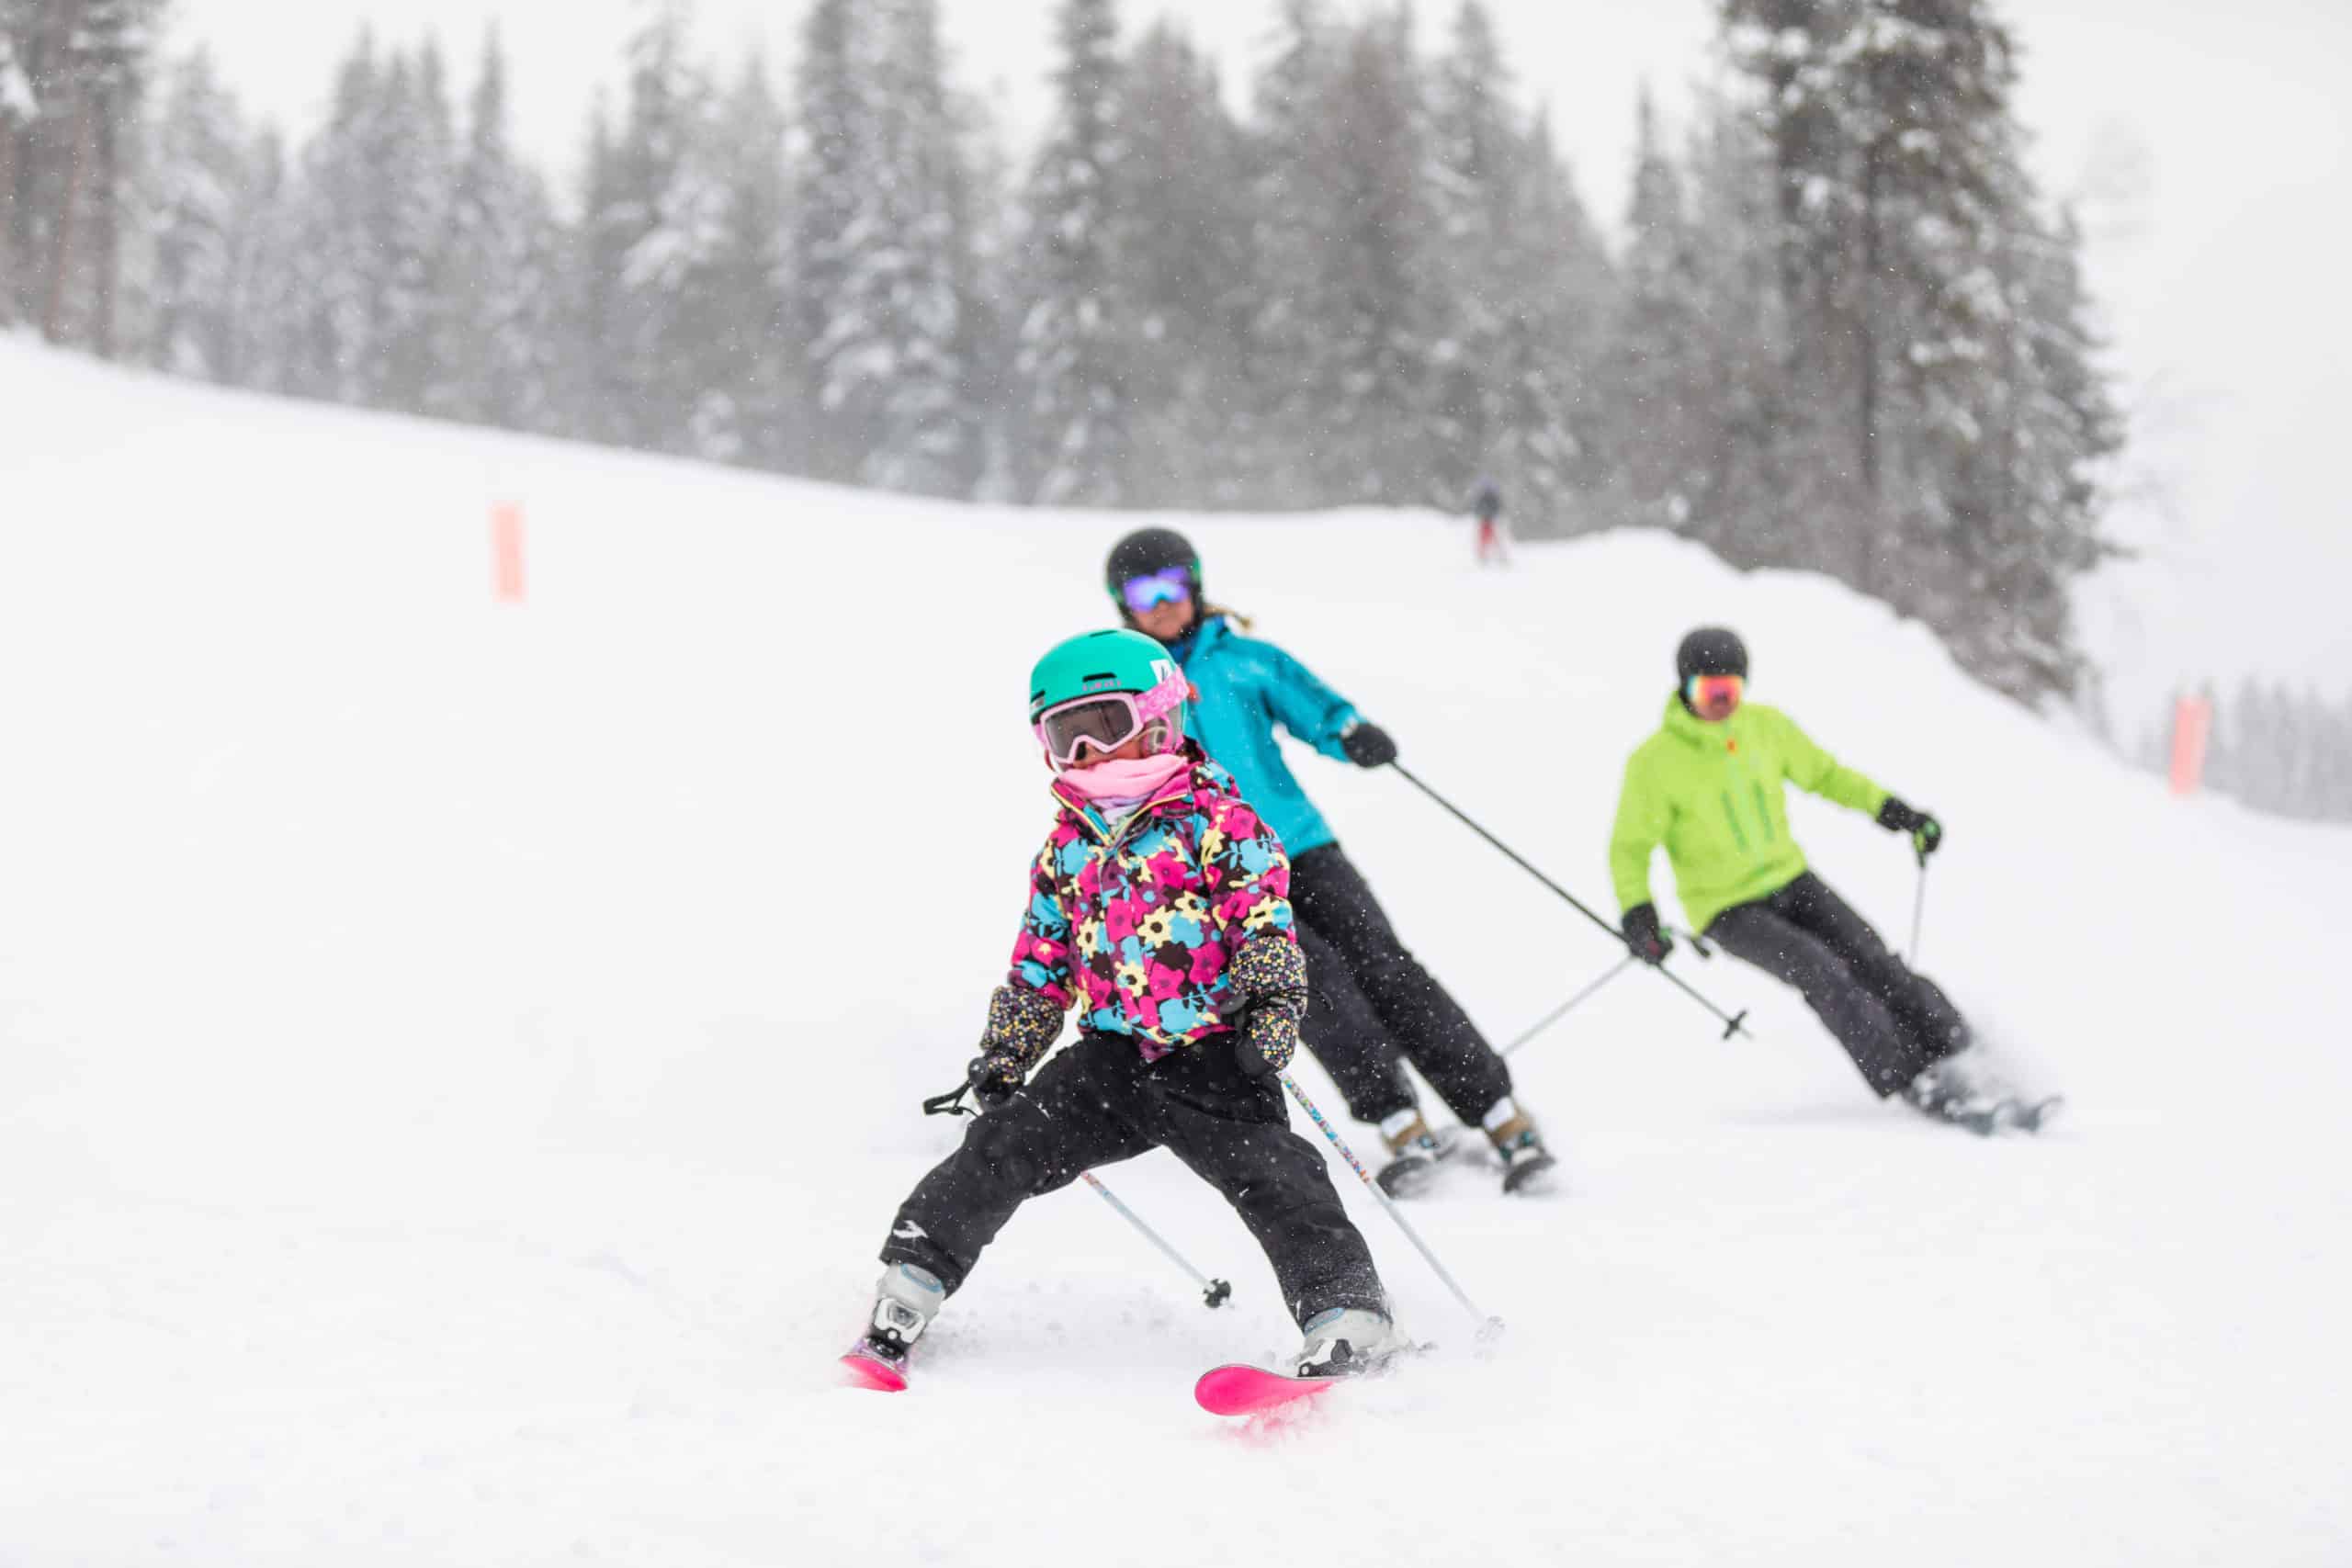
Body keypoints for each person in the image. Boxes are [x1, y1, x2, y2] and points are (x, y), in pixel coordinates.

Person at [846, 628, 1404, 1388]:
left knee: (1280, 1180)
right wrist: (1007, 1053)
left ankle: (1345, 1313)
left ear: (1159, 718)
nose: (1085, 755)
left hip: (1213, 1054)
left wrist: (1272, 1003)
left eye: (1101, 727)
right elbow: (1040, 963)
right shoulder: (1066, 850)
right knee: (998, 1148)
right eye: (1064, 736)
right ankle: (910, 1283)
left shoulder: (1222, 823)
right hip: (1109, 1059)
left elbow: (1264, 924)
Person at [1102, 527, 1557, 1196]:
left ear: (1195, 583)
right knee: (1308, 985)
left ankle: (1495, 1107)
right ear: (1123, 606)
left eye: (1173, 584)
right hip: (1221, 876)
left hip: (1302, 843)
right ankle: (1397, 1115)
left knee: (1384, 963)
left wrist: (1348, 732)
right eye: (1145, 593)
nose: (1164, 603)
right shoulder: (1131, 691)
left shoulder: (1244, 660)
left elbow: (1313, 705)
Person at [1608, 626, 1986, 1122]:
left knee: (1873, 958)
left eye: (1730, 691)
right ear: (1684, 688)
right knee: (1821, 972)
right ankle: (1915, 1078)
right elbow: (1630, 848)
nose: (1721, 703)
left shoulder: (1765, 728)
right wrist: (1639, 914)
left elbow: (1826, 776)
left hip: (1791, 880)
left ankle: (1960, 1051)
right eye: (1708, 692)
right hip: (1725, 908)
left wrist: (1895, 812)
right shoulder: (1654, 763)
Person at [1471, 480, 1510, 569]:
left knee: (1493, 539)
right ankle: (1485, 556)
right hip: (1487, 521)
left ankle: (1498, 556)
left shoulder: (1490, 498)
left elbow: (1497, 508)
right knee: (1488, 539)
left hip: (1491, 521)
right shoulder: (1487, 498)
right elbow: (1477, 509)